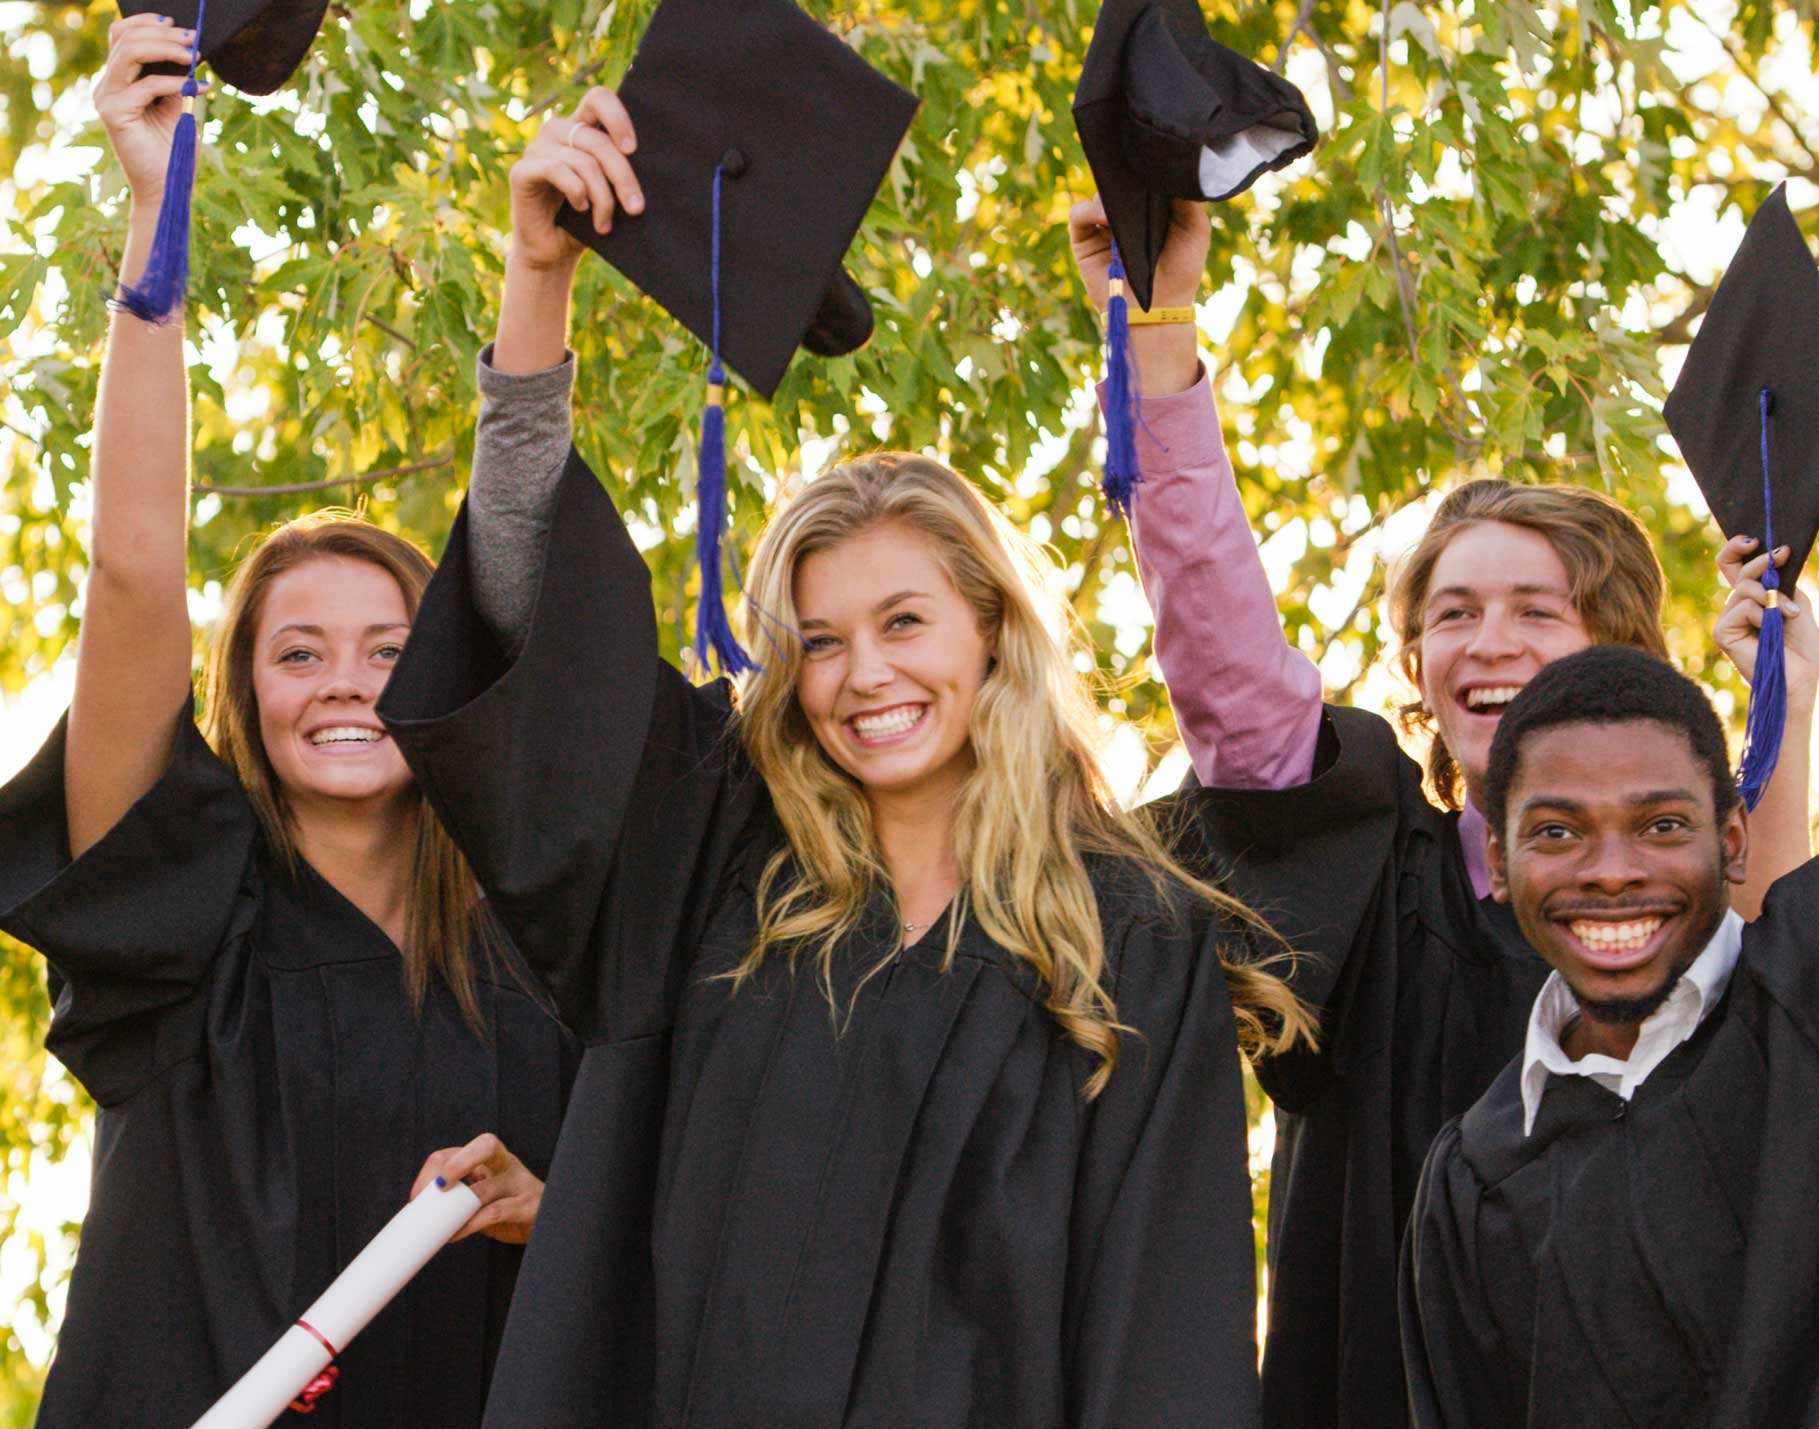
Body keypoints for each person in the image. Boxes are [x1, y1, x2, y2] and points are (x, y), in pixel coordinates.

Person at [372, 85, 1313, 1427]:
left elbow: (1166, 1339)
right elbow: (538, 645)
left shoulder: (1125, 941)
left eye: (904, 622)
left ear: (991, 631)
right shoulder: (717, 874)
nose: (865, 674)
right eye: (819, 641)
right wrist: (537, 288)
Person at [1064, 195, 1819, 1426]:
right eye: (1451, 613)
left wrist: (1780, 698)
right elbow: (1227, 658)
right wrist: (1156, 329)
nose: (1487, 641)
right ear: (1415, 662)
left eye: (1535, 609)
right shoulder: (1366, 861)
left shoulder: (1664, 889)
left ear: (1613, 646)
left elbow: (1784, 964)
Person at [0, 22, 571, 1424]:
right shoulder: (189, 921)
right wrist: (156, 219)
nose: (348, 682)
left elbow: (630, 1246)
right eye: (297, 650)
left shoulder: (534, 957)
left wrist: (539, 1210)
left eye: (389, 648)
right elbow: (135, 573)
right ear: (245, 696)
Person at [1400, 644, 1819, 1424]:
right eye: (1556, 831)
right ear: (1500, 859)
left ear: (1735, 839)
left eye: (1662, 823)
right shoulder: (1475, 1182)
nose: (1611, 869)